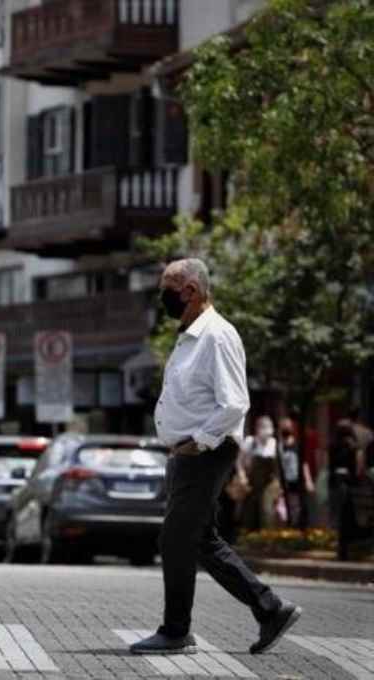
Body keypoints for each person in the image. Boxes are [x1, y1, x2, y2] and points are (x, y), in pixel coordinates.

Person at [131, 258, 300, 656]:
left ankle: (175, 631)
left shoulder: (217, 336)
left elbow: (235, 403)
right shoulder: (189, 335)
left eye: (167, 289)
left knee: (174, 539)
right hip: (187, 453)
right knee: (201, 539)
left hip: (205, 452)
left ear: (190, 290)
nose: (163, 298)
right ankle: (270, 609)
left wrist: (200, 442)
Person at [240, 416, 280, 530]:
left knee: (267, 510)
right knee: (250, 510)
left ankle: (267, 536)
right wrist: (242, 476)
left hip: (268, 483)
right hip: (251, 482)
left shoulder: (274, 443)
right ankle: (249, 537)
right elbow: (239, 462)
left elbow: (277, 467)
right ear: (258, 429)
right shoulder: (250, 441)